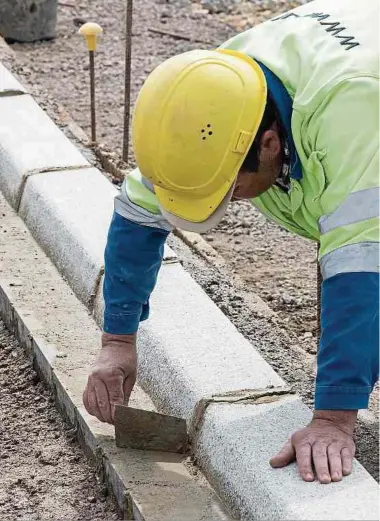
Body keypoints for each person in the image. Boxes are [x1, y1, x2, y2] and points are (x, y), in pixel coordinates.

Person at [83, 0, 379, 484]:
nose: (230, 203)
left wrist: (333, 419)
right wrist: (117, 341)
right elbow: (138, 215)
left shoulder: (351, 117)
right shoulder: (216, 98)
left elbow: (360, 263)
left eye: (231, 190)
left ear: (268, 144)